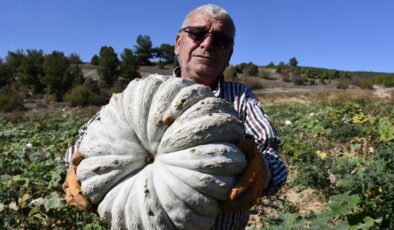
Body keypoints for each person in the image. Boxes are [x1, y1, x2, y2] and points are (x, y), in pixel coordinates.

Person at [64, 4, 287, 229]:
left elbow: (274, 159)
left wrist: (262, 170)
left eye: (221, 40)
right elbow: (82, 145)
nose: (207, 44)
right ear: (178, 43)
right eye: (197, 34)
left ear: (229, 54)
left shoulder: (240, 98)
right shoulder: (140, 93)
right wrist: (77, 168)